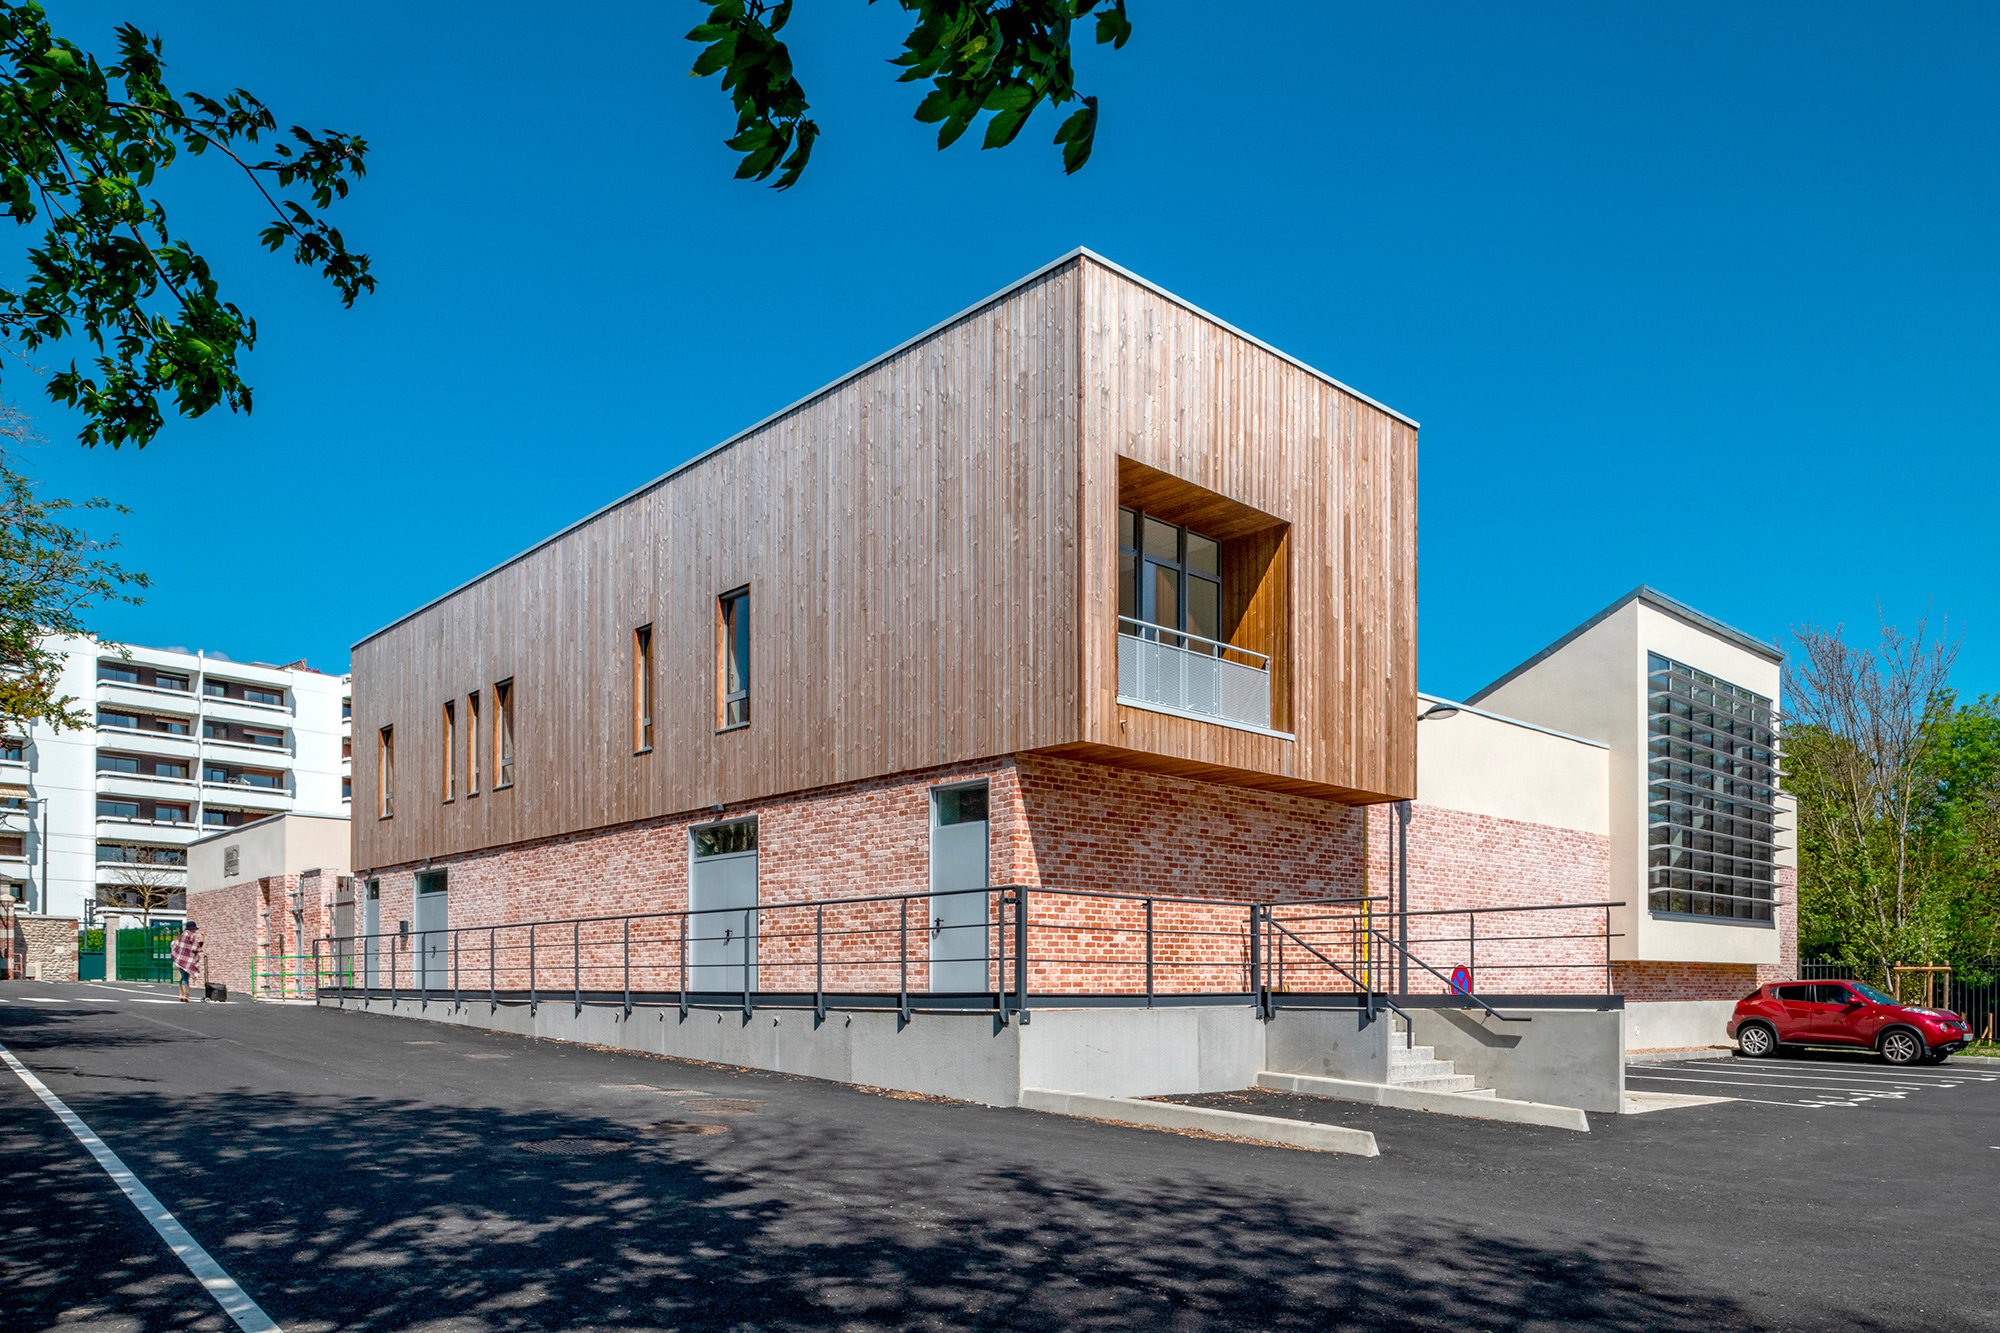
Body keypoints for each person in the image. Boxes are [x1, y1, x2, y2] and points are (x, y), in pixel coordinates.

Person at [170, 921, 206, 1002]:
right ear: (192, 929)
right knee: (185, 977)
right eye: (195, 929)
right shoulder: (190, 937)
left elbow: (174, 943)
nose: (196, 931)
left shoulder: (182, 936)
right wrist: (203, 936)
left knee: (183, 977)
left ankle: (181, 995)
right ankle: (186, 996)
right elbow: (197, 947)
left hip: (180, 960)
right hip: (186, 961)